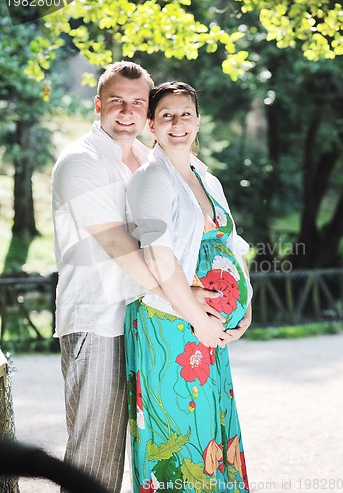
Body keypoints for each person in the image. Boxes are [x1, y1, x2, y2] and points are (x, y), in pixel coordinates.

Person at [52, 64, 225, 492]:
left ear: (147, 112)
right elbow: (119, 246)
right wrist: (182, 295)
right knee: (96, 453)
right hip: (98, 320)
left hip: (148, 321)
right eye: (116, 101)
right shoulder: (80, 161)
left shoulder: (153, 161)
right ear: (98, 105)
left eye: (137, 102)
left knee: (158, 444)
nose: (126, 111)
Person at [125, 81, 252, 493]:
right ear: (151, 124)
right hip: (173, 327)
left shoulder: (206, 178)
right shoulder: (151, 180)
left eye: (185, 114)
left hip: (210, 331)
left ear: (198, 120)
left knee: (212, 435)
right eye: (167, 115)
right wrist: (199, 320)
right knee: (180, 441)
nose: (177, 123)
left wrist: (246, 310)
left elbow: (232, 246)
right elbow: (160, 259)